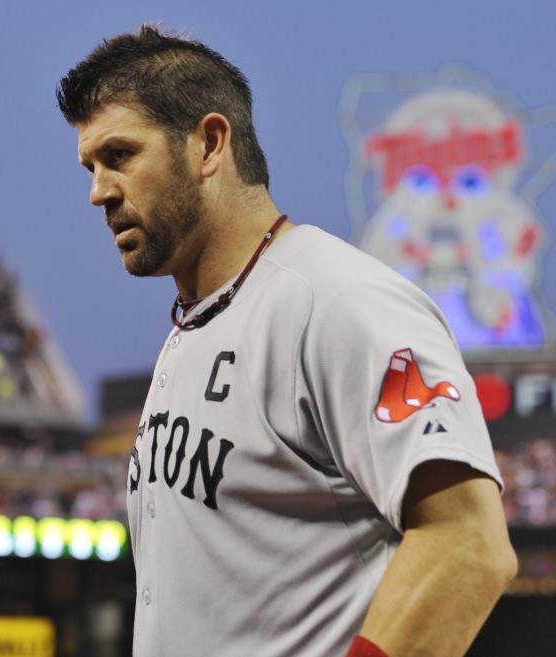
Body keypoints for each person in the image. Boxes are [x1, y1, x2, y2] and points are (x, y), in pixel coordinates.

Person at [56, 25, 516, 657]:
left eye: (120, 156)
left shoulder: (337, 299)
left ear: (210, 143)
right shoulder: (198, 321)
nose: (99, 192)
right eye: (91, 166)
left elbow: (468, 543)